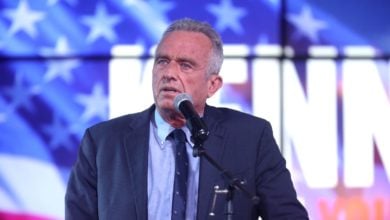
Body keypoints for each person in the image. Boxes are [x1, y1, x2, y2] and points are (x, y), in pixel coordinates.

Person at [65, 18, 309, 219]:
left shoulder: (250, 138)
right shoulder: (103, 142)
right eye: (162, 61)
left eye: (185, 65)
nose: (169, 73)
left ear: (213, 85)